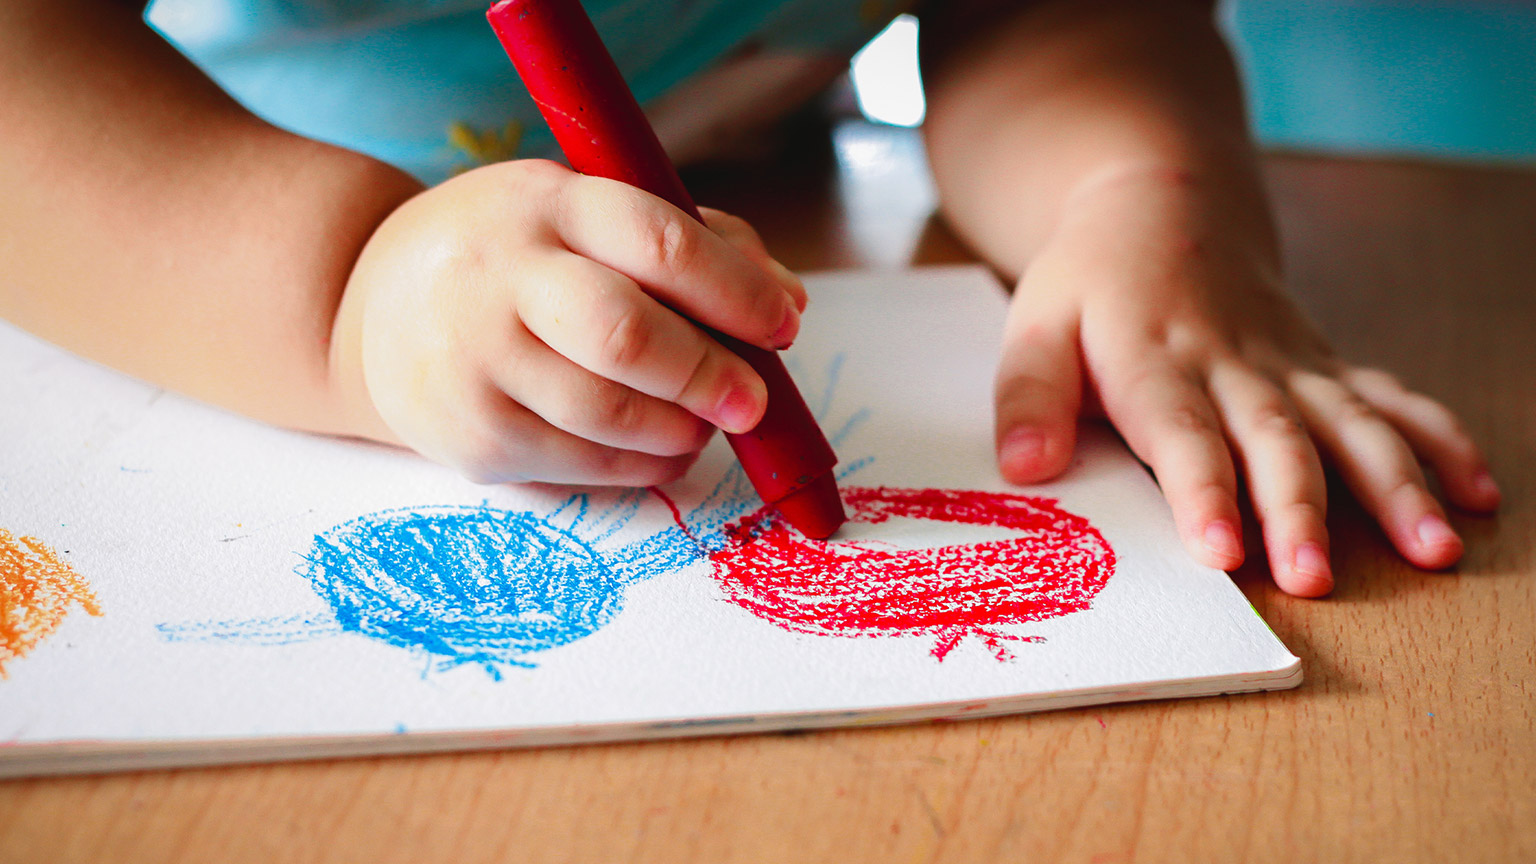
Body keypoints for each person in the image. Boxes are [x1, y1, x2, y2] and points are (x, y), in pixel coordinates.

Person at [0, 0, 1499, 598]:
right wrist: (346, 294)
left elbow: (1044, 15)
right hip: (213, 195)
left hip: (790, 194)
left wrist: (1131, 197)